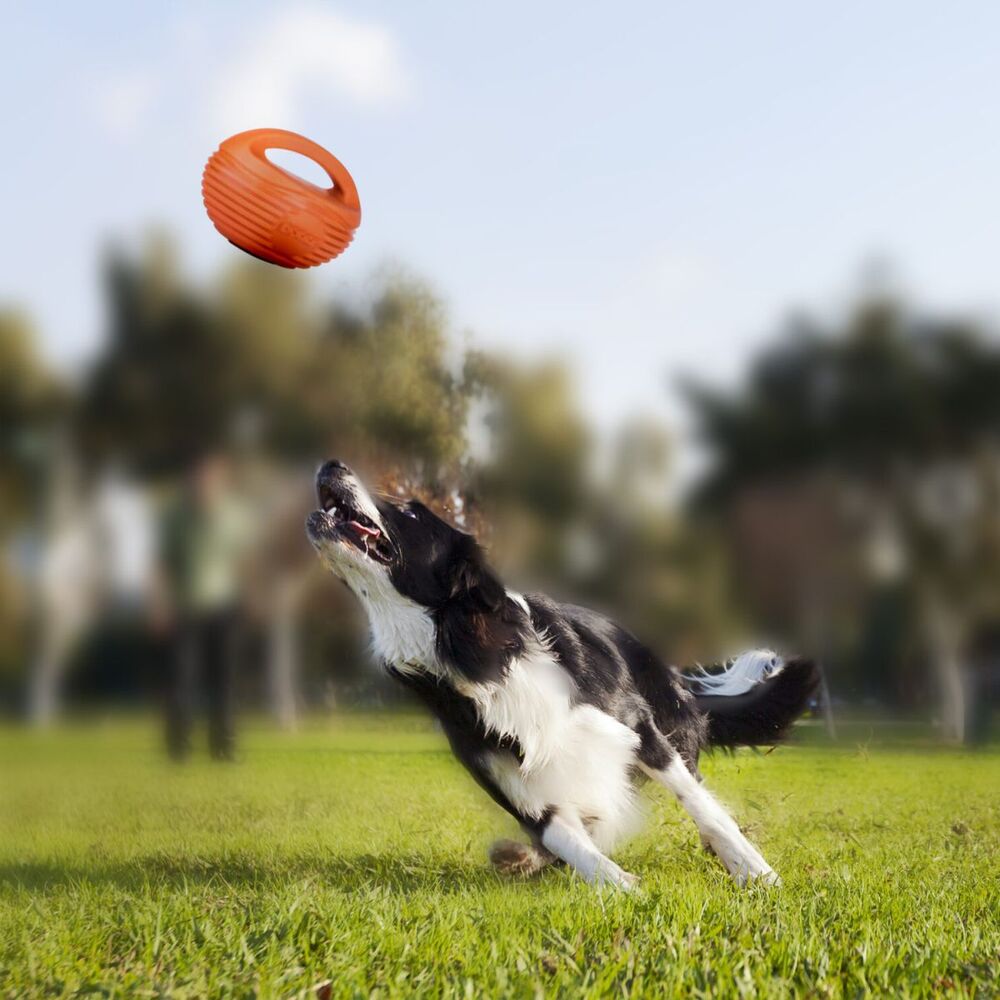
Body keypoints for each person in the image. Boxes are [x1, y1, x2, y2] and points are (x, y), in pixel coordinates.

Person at [156, 452, 252, 761]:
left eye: (210, 477)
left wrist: (251, 599)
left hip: (224, 609)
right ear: (190, 479)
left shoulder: (235, 515)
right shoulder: (175, 516)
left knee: (223, 681)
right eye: (198, 477)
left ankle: (223, 747)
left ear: (220, 479)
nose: (204, 483)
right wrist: (158, 604)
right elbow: (162, 564)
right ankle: (179, 748)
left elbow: (244, 562)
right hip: (185, 608)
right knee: (182, 680)